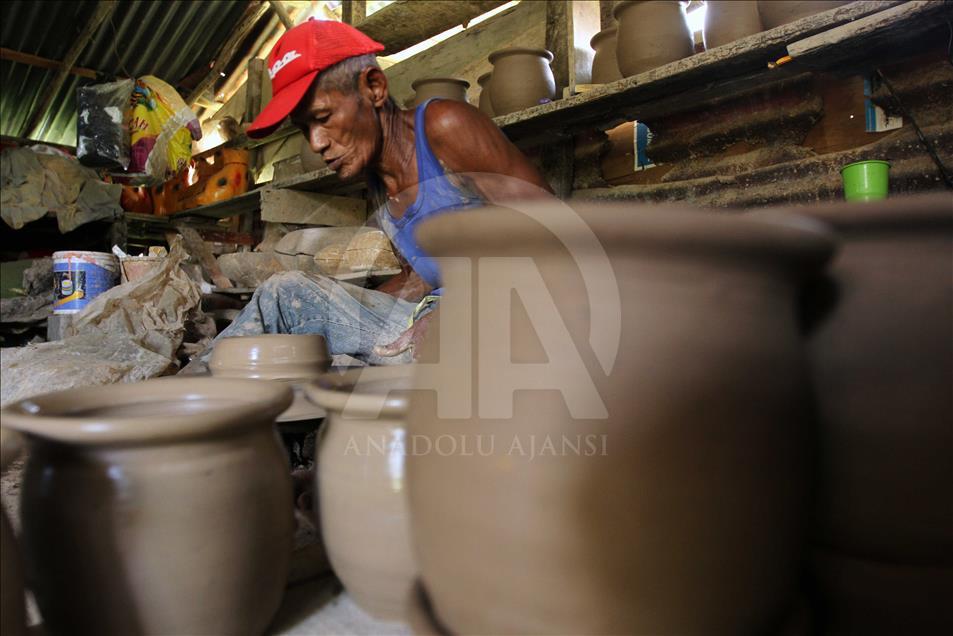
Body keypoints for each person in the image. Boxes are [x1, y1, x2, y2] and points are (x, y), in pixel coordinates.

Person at [187, 18, 552, 371]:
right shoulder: (380, 181)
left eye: (324, 116)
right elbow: (423, 277)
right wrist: (336, 300)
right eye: (305, 128)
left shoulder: (444, 127)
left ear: (374, 87)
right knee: (286, 293)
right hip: (441, 319)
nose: (317, 142)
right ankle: (194, 390)